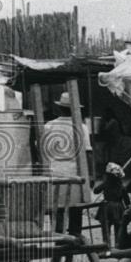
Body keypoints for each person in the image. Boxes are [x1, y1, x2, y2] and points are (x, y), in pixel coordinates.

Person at [41, 91, 93, 235]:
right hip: (75, 174)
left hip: (54, 173)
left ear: (60, 108)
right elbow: (87, 152)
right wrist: (89, 177)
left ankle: (58, 239)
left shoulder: (48, 126)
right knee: (76, 210)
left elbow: (43, 152)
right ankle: (75, 238)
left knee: (56, 210)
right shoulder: (81, 127)